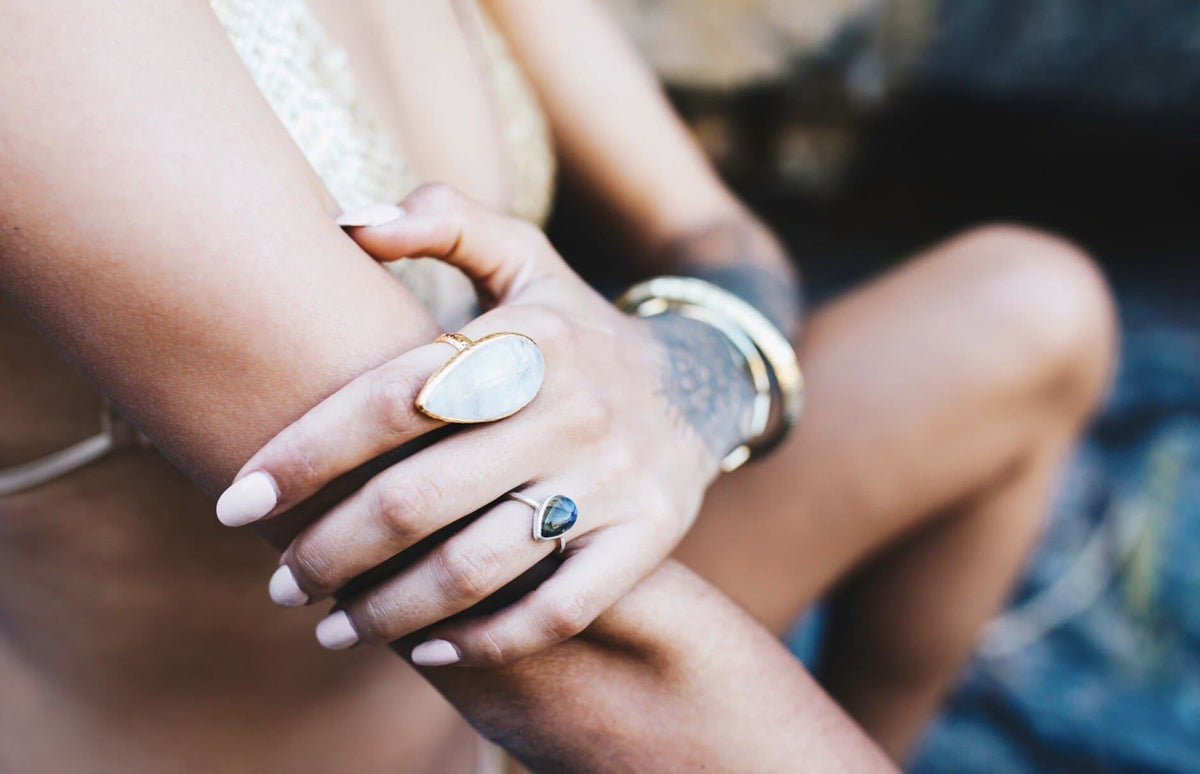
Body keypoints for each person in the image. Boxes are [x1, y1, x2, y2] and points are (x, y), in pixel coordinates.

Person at [0, 0, 1116, 770]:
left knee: (1030, 307)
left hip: (490, 713)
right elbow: (529, 598)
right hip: (349, 729)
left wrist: (692, 375)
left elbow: (711, 228)